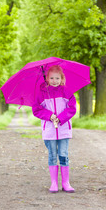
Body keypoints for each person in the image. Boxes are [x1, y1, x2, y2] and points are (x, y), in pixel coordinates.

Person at [32, 65, 76, 193]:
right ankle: (54, 183)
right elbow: (36, 109)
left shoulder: (67, 92)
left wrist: (61, 118)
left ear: (62, 78)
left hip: (63, 129)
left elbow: (72, 108)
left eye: (57, 78)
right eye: (51, 78)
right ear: (47, 78)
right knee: (52, 155)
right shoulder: (42, 93)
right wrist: (49, 116)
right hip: (50, 130)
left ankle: (66, 182)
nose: (54, 80)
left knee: (63, 154)